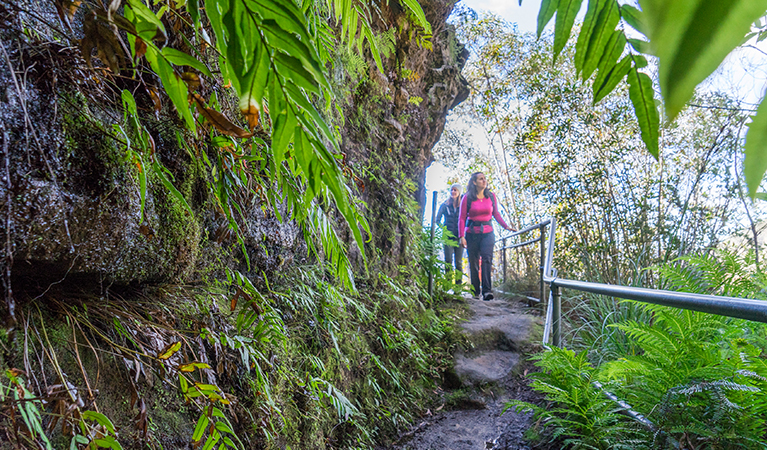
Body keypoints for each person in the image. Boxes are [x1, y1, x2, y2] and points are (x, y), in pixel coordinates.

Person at [458, 172, 515, 301]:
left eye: (485, 179)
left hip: (488, 233)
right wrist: (461, 236)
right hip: (472, 233)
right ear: (474, 182)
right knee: (473, 262)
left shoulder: (491, 196)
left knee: (487, 259)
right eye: (480, 179)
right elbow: (461, 218)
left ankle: (487, 291)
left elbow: (495, 213)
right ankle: (475, 290)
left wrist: (506, 226)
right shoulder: (467, 198)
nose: (484, 181)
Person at [435, 183, 464, 284]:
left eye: (455, 190)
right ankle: (447, 285)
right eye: (452, 190)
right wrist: (445, 229)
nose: (453, 192)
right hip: (447, 237)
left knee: (459, 262)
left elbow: (467, 219)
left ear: (459, 192)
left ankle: (458, 286)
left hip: (459, 237)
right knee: (448, 261)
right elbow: (437, 220)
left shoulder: (463, 206)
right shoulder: (445, 205)